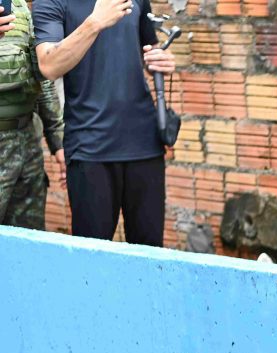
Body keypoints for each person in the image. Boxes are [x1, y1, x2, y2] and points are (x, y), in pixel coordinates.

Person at [32, 0, 175, 245]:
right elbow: (49, 65)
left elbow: (148, 50)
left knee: (151, 258)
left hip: (144, 144)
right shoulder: (51, 1)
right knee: (91, 261)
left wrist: (161, 60)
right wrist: (95, 22)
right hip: (90, 147)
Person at [0, 0, 64, 230]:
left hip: (27, 145)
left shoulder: (19, 7)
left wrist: (58, 141)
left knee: (28, 241)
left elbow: (41, 78)